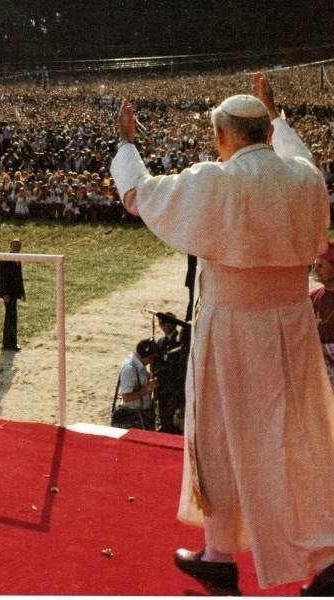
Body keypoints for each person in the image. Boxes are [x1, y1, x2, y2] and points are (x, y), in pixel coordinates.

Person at [111, 72, 334, 595]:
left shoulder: (215, 180)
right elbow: (297, 154)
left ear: (222, 136)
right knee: (300, 436)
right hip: (292, 325)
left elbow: (138, 195)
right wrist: (275, 114)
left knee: (219, 436)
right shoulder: (304, 179)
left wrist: (126, 143)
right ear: (264, 132)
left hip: (233, 329)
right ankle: (244, 553)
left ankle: (258, 555)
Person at [111, 338, 159, 430]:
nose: (152, 362)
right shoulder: (130, 368)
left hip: (141, 415)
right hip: (132, 417)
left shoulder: (138, 366)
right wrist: (147, 388)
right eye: (152, 358)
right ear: (148, 357)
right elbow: (127, 397)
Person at [310, 241, 334, 389]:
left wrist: (325, 349)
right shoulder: (312, 297)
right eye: (315, 265)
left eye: (321, 265)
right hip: (316, 369)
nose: (315, 270)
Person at [0, 239, 25, 351]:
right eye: (14, 246)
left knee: (12, 317)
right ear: (10, 246)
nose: (16, 248)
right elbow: (2, 278)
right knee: (10, 317)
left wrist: (23, 292)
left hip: (14, 293)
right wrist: (5, 294)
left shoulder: (18, 259)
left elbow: (19, 277)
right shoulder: (5, 259)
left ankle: (10, 343)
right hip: (8, 294)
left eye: (18, 246)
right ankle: (9, 344)